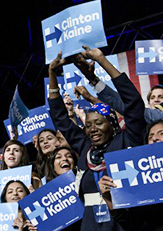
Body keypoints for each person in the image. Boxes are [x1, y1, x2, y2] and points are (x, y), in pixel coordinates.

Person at [48, 46, 146, 231]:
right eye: (88, 125)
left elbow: (133, 102)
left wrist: (102, 60)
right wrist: (52, 74)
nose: (92, 129)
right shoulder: (86, 147)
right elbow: (60, 118)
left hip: (125, 225)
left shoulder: (128, 140)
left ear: (112, 124)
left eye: (99, 123)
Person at [96, 120, 163, 231]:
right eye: (150, 136)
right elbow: (132, 224)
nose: (155, 138)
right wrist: (110, 200)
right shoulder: (141, 180)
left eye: (161, 133)